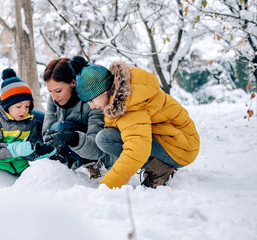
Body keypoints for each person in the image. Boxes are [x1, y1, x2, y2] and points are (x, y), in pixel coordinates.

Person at [71, 56, 200, 188]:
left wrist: (107, 185)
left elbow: (136, 150)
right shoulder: (123, 94)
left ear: (104, 91)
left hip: (181, 148)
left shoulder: (130, 104)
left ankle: (159, 170)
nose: (91, 106)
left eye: (92, 101)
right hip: (173, 139)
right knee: (105, 137)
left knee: (107, 139)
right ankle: (158, 166)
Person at [0, 68, 56, 187]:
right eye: (19, 106)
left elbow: (30, 144)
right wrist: (17, 149)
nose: (24, 111)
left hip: (22, 166)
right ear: (7, 106)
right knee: (2, 189)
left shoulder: (28, 120)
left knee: (29, 189)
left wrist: (36, 151)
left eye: (27, 106)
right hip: (0, 166)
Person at [40, 58, 108, 174]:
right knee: (31, 117)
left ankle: (63, 170)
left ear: (73, 82)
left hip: (85, 146)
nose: (54, 97)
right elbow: (47, 129)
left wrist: (71, 137)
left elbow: (96, 149)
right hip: (61, 136)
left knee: (59, 127)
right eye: (50, 91)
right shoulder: (54, 97)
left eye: (58, 91)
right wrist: (46, 142)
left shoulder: (93, 100)